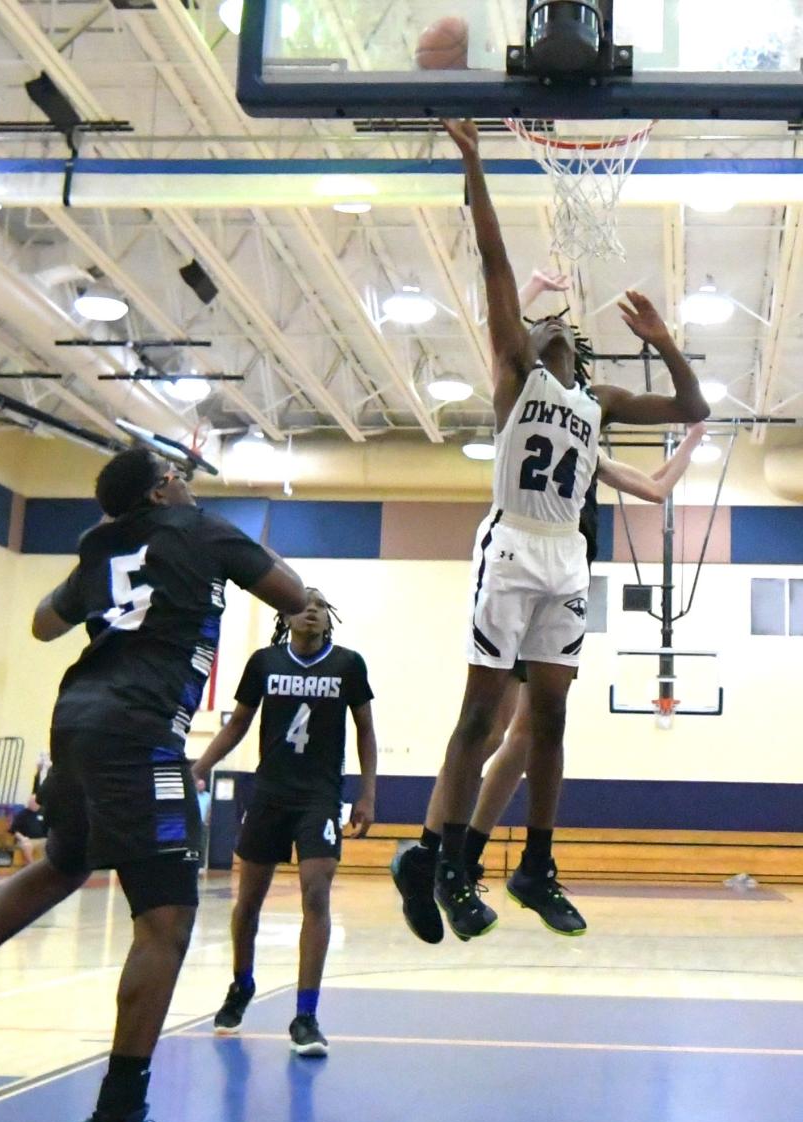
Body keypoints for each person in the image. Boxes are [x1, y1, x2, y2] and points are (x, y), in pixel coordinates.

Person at [0, 445, 306, 1122]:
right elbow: (292, 591)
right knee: (167, 919)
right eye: (179, 476)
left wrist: (100, 568)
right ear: (166, 487)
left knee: (65, 862)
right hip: (140, 732)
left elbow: (44, 624)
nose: (188, 481)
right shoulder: (201, 528)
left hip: (74, 723)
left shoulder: (100, 545)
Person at [391, 117, 709, 945]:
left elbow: (691, 410)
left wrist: (667, 342)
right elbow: (494, 264)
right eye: (541, 325)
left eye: (563, 328)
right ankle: (447, 862)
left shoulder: (594, 405)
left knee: (551, 725)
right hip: (512, 547)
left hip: (568, 558)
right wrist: (475, 168)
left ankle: (535, 862)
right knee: (480, 718)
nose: (554, 326)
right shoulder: (514, 376)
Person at [394, 423, 708, 941]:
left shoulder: (587, 452)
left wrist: (693, 440)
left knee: (528, 736)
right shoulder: (531, 425)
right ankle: (430, 854)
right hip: (521, 569)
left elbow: (654, 489)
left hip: (563, 579)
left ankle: (466, 855)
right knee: (488, 728)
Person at [192, 587, 376, 1057]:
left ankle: (306, 1015)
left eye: (319, 604)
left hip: (319, 797)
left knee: (316, 892)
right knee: (247, 902)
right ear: (287, 615)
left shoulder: (348, 665)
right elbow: (237, 725)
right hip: (270, 793)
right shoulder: (264, 663)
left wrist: (368, 793)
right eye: (303, 602)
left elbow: (365, 730)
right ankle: (242, 984)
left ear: (328, 619)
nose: (311, 608)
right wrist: (200, 767)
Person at [9, 793, 48, 866]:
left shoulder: (44, 813)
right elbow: (14, 830)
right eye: (30, 802)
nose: (31, 804)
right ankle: (31, 866)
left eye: (34, 802)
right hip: (27, 839)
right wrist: (22, 838)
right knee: (27, 845)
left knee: (53, 844)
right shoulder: (22, 814)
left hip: (42, 839)